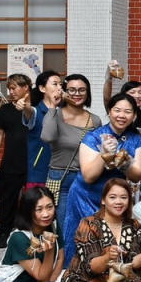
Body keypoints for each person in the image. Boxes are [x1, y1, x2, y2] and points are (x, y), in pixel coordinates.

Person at [64, 93, 141, 265]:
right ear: (109, 112)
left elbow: (136, 175)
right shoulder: (93, 137)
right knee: (83, 240)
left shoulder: (135, 139)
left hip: (114, 199)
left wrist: (125, 161)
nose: (121, 115)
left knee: (111, 244)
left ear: (134, 115)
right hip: (85, 196)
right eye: (117, 110)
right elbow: (88, 176)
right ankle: (74, 280)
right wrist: (104, 154)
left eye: (127, 111)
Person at [41, 74, 101, 235]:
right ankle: (66, 260)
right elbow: (47, 137)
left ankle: (86, 260)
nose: (77, 94)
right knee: (65, 229)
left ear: (87, 93)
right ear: (64, 91)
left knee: (88, 228)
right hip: (60, 179)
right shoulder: (55, 115)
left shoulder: (94, 120)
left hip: (86, 178)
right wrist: (53, 106)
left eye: (82, 90)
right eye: (72, 90)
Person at [0, 73, 33, 248]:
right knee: (6, 199)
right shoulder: (5, 110)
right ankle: (4, 232)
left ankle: (32, 233)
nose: (11, 91)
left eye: (14, 87)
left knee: (33, 199)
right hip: (11, 162)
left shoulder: (35, 109)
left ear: (26, 88)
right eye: (10, 88)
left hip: (33, 163)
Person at [22, 70, 62, 188]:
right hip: (39, 174)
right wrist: (24, 107)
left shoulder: (64, 112)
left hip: (61, 172)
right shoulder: (35, 111)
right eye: (55, 84)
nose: (59, 88)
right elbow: (28, 111)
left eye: (61, 84)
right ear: (42, 88)